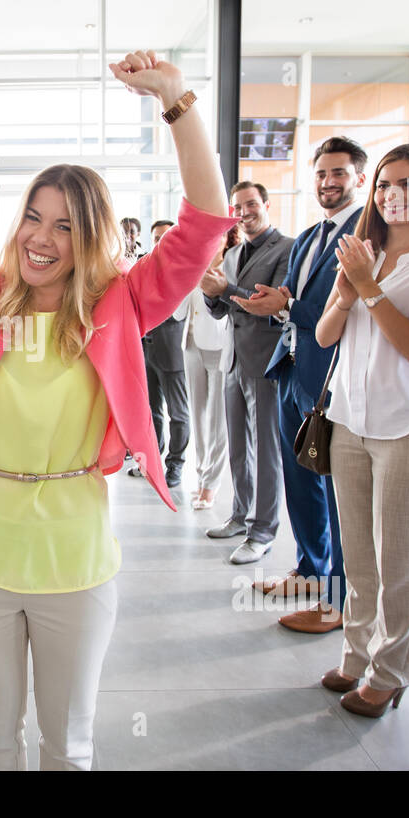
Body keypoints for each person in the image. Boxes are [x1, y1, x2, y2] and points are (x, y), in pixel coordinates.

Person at [0, 51, 232, 770]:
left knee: (69, 743)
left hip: (77, 553)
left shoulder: (121, 305)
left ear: (90, 237)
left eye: (63, 226)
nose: (40, 237)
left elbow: (206, 224)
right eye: (33, 216)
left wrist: (178, 104)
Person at [313, 143, 409, 718]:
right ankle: (355, 654)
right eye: (385, 184)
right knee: (360, 555)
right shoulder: (360, 251)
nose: (393, 194)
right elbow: (324, 336)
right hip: (349, 421)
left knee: (401, 561)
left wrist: (369, 289)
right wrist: (347, 297)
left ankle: (393, 671)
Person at [245, 136, 367, 633]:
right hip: (292, 368)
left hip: (333, 377)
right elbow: (292, 301)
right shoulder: (311, 235)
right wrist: (273, 306)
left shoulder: (366, 235)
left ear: (361, 178)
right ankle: (311, 572)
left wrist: (287, 306)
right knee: (302, 480)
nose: (328, 182)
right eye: (321, 174)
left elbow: (349, 305)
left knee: (336, 490)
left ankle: (339, 600)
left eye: (339, 173)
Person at [203, 181, 293, 564]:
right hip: (234, 360)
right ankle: (240, 516)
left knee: (266, 451)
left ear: (267, 204)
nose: (244, 212)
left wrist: (225, 289)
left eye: (251, 204)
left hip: (266, 361)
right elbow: (220, 310)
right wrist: (211, 292)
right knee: (238, 446)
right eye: (237, 206)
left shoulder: (289, 248)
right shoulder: (234, 251)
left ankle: (263, 530)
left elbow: (271, 304)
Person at [183, 222, 240, 510]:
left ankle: (211, 484)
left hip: (218, 345)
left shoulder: (233, 263)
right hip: (190, 341)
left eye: (216, 236)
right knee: (198, 415)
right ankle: (200, 477)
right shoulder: (195, 262)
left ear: (226, 238)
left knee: (217, 420)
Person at [139, 220, 191, 488]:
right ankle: (154, 462)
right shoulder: (148, 267)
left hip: (172, 351)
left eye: (165, 237)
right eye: (156, 237)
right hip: (147, 349)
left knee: (178, 413)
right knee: (152, 410)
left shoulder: (184, 269)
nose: (160, 242)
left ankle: (176, 465)